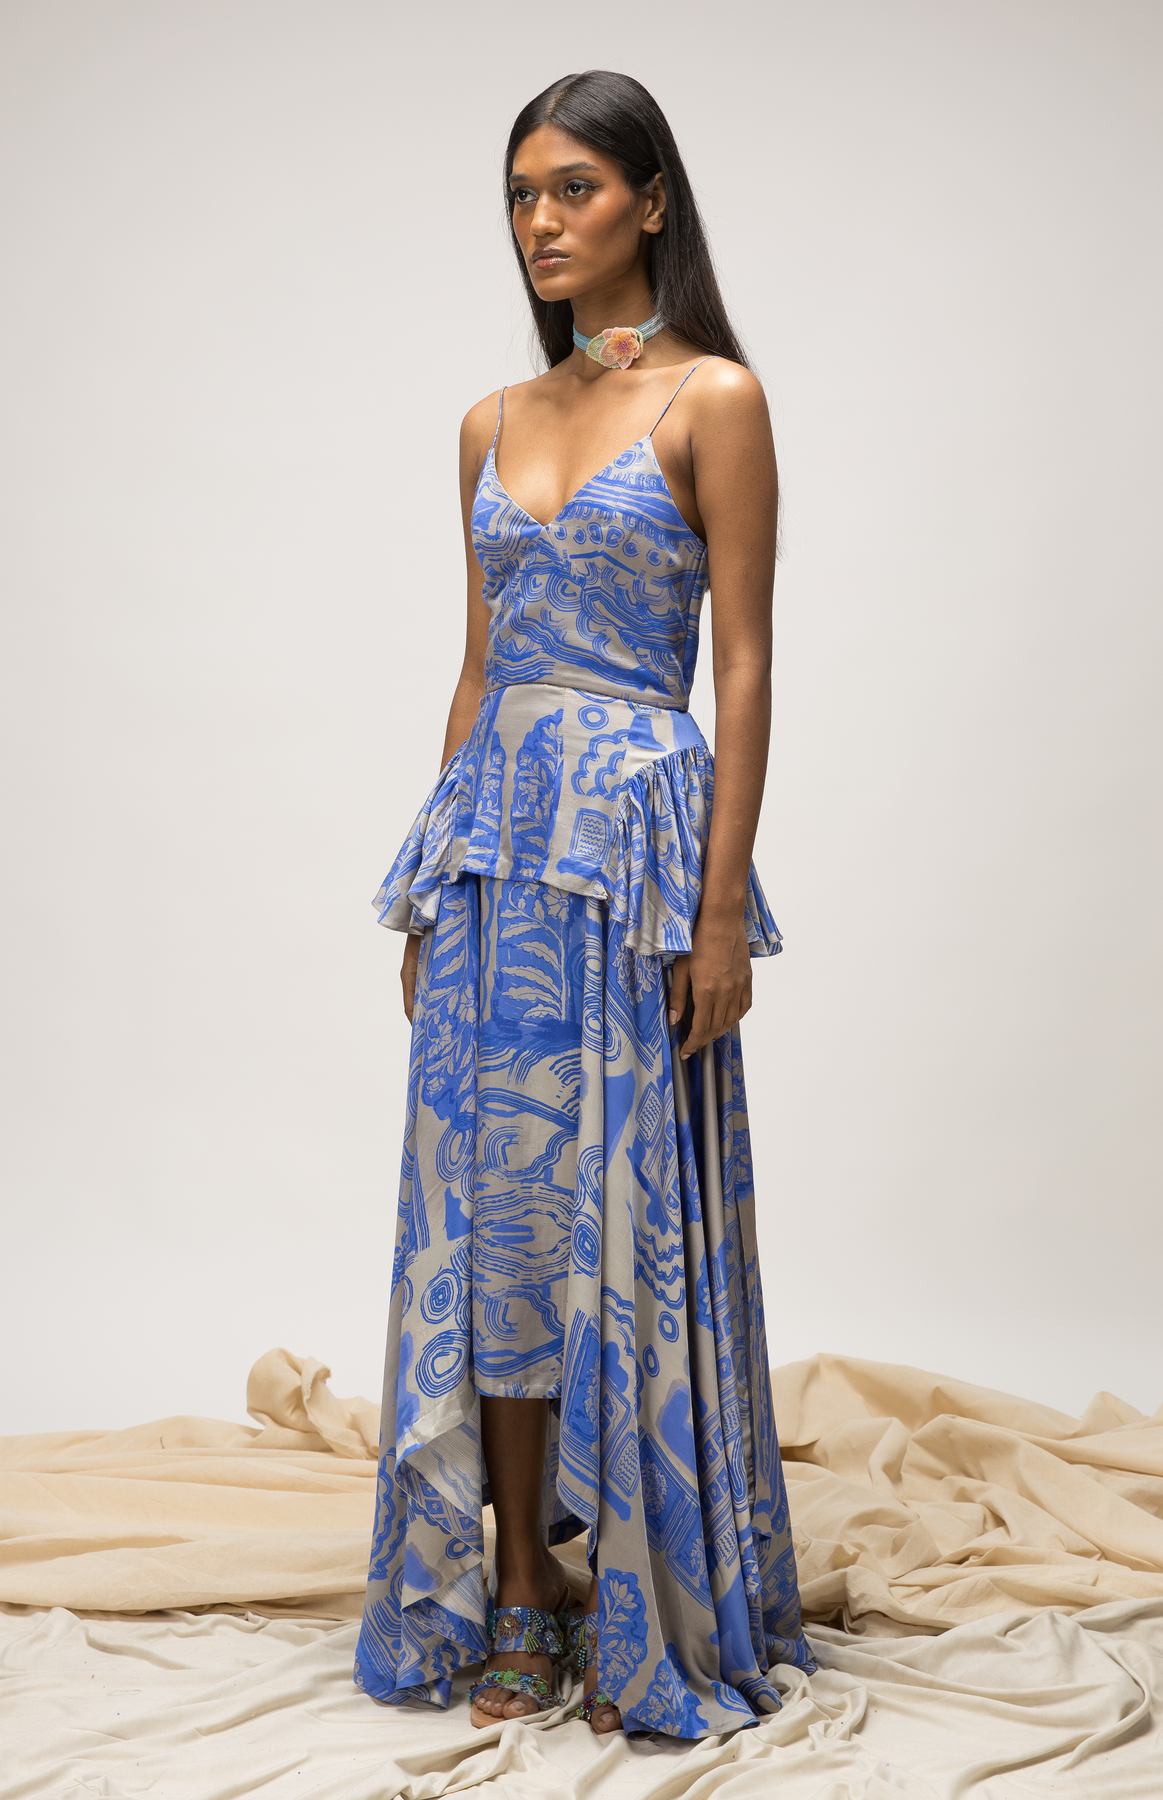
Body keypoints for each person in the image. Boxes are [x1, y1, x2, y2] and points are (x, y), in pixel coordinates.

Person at [354, 68, 816, 1740]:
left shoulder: (714, 398)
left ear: (649, 201)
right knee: (499, 1219)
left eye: (572, 189)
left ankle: (639, 1572)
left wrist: (718, 913)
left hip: (632, 858)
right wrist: (429, 881)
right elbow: (480, 666)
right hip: (494, 857)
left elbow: (743, 665)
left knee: (621, 1215)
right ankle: (517, 1582)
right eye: (520, 195)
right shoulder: (490, 421)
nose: (540, 222)